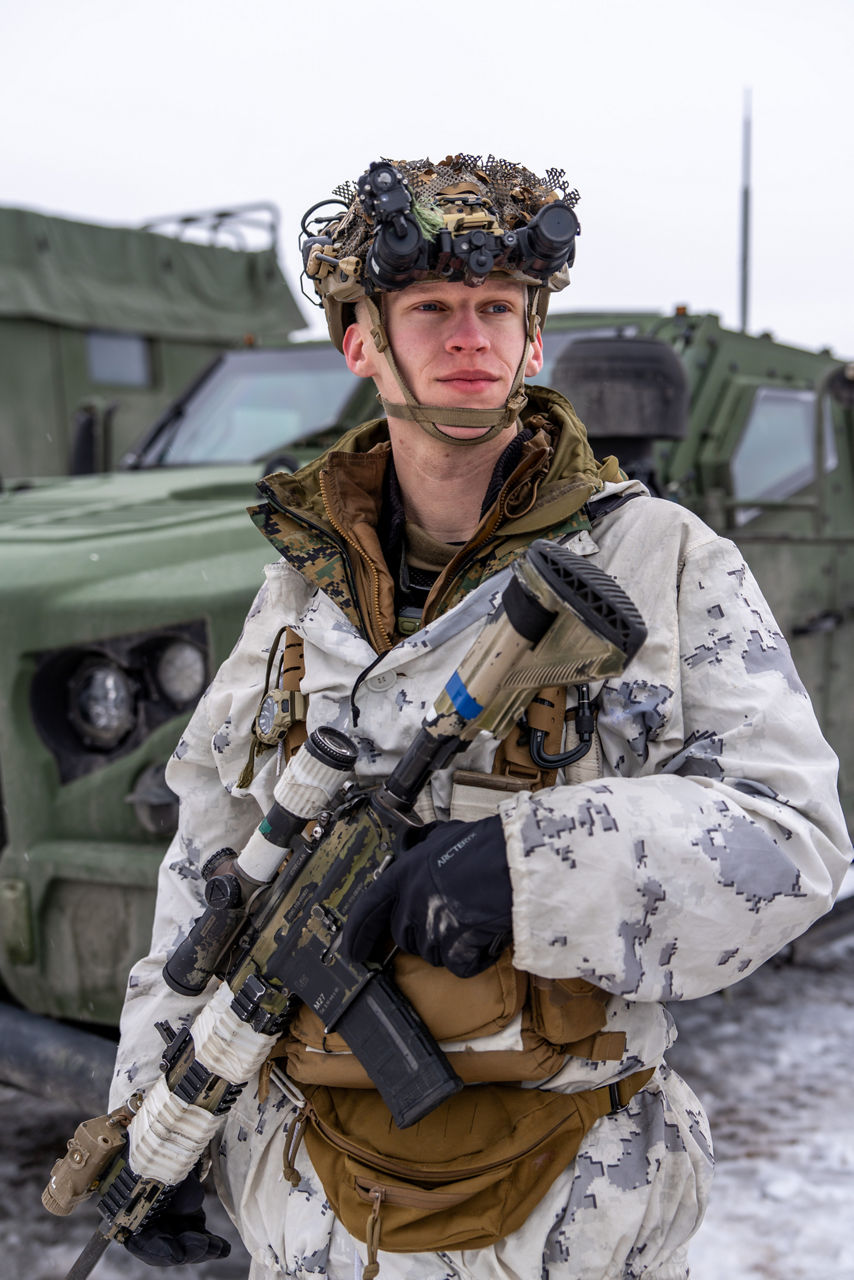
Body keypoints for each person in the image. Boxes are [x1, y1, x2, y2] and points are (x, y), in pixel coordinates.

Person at [108, 155, 851, 1280]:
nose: (471, 336)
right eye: (431, 309)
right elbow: (206, 868)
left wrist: (526, 866)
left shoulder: (658, 560)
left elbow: (792, 839)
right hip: (308, 1218)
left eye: (498, 308)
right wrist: (148, 1118)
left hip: (563, 1216)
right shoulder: (296, 598)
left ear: (533, 341)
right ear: (362, 345)